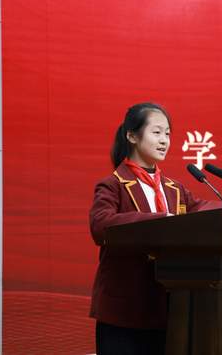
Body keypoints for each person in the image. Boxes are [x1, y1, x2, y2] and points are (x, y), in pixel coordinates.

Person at [89, 102, 210, 355]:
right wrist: (158, 221)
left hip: (168, 310)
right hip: (124, 314)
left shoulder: (174, 189)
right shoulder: (113, 185)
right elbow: (100, 225)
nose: (164, 140)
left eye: (167, 134)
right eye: (156, 132)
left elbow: (205, 210)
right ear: (132, 136)